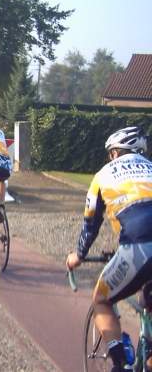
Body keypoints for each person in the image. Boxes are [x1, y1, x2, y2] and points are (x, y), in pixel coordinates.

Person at [66, 127, 152, 372]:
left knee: (101, 300)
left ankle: (119, 363)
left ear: (115, 153)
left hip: (139, 247)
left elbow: (91, 223)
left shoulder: (104, 174)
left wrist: (78, 255)